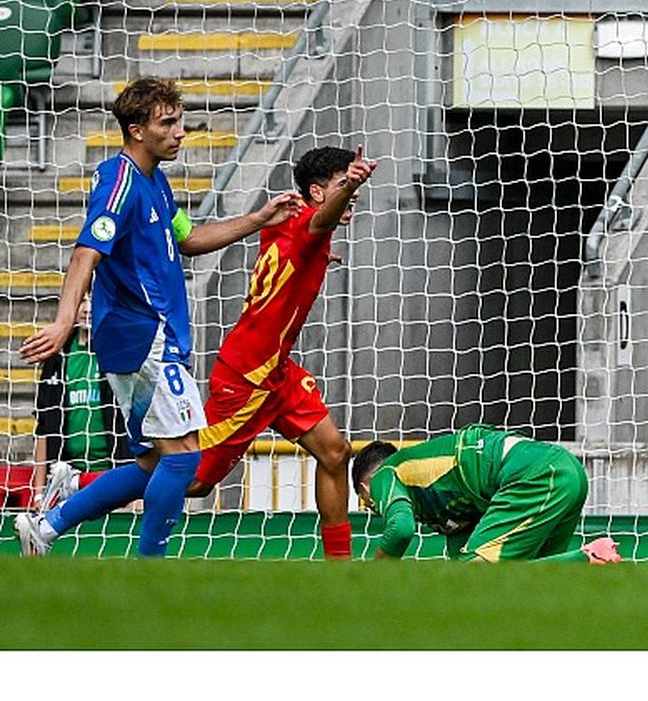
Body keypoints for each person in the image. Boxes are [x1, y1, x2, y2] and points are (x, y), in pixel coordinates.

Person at [33, 146, 376, 560]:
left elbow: (301, 240)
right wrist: (350, 187)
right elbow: (317, 223)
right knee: (190, 478)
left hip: (277, 371)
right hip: (248, 376)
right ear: (318, 193)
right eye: (343, 187)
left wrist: (318, 253)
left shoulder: (286, 222)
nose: (351, 197)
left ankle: (342, 570)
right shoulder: (309, 225)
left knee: (335, 451)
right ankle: (76, 491)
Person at [13, 77, 301, 557]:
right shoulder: (119, 183)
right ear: (136, 130)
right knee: (186, 458)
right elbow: (87, 251)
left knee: (153, 461)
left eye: (179, 121)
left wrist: (256, 220)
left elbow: (187, 240)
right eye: (167, 123)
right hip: (142, 334)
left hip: (151, 334)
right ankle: (151, 567)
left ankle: (46, 528)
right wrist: (64, 324)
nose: (180, 132)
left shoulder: (156, 183)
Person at [352, 423, 622, 564]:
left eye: (367, 503)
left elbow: (400, 529)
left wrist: (376, 575)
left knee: (478, 568)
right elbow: (463, 561)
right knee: (537, 584)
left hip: (536, 475)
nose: (374, 507)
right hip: (564, 470)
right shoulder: (438, 498)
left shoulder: (386, 474)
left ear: (365, 489)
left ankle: (589, 557)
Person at [30, 296, 131, 511]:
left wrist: (137, 490)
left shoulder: (118, 355)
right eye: (81, 301)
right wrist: (39, 494)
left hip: (113, 477)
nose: (87, 309)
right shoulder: (57, 358)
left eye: (94, 300)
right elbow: (43, 428)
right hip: (65, 480)